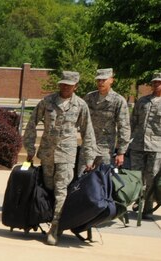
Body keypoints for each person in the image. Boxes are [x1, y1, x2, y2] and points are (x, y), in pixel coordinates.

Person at [23, 70, 97, 245]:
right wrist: (30, 147)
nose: (64, 87)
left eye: (69, 85)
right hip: (47, 153)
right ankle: (44, 217)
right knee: (48, 187)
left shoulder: (80, 105)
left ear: (75, 86)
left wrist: (89, 157)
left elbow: (88, 132)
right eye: (62, 84)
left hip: (66, 154)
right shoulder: (48, 101)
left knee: (61, 190)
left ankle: (55, 228)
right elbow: (32, 122)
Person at [129, 72, 161, 217]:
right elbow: (132, 122)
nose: (156, 84)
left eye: (159, 82)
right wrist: (125, 141)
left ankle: (147, 206)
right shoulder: (142, 101)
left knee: (152, 177)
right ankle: (138, 201)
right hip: (138, 145)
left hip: (158, 147)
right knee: (136, 176)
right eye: (154, 82)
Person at [84, 68, 131, 169]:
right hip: (88, 147)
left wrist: (121, 152)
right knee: (82, 179)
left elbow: (124, 127)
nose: (100, 83)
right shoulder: (89, 97)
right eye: (98, 80)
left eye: (104, 80)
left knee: (102, 180)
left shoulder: (118, 100)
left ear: (111, 80)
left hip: (105, 149)